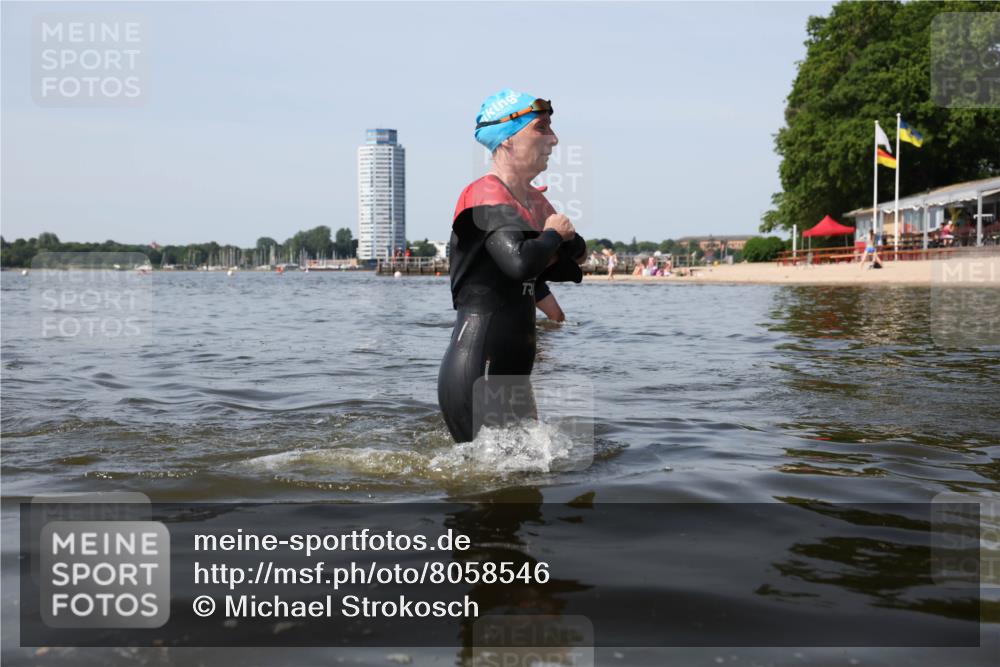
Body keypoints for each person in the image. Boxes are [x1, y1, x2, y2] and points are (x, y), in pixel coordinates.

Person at [438, 89, 587, 443]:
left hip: (515, 372)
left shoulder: (531, 200)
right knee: (485, 489)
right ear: (506, 140)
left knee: (526, 482)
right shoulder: (484, 195)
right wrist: (551, 236)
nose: (554, 138)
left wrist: (550, 239)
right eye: (541, 128)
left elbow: (578, 254)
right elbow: (521, 263)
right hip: (477, 365)